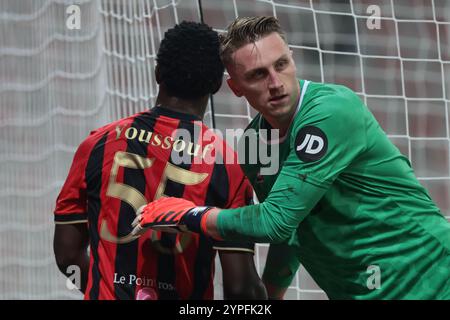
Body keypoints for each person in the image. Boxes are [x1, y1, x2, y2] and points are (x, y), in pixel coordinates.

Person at [132, 16, 450, 300]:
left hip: (433, 279)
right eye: (258, 75)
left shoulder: (331, 111)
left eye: (281, 65)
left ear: (292, 60)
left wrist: (190, 216)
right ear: (236, 87)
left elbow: (275, 220)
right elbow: (291, 229)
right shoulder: (254, 145)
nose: (275, 84)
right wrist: (272, 294)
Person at [53, 21, 267, 300]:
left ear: (157, 73)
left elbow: (67, 254)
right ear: (216, 85)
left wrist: (102, 290)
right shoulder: (228, 166)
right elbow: (241, 289)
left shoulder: (97, 145)